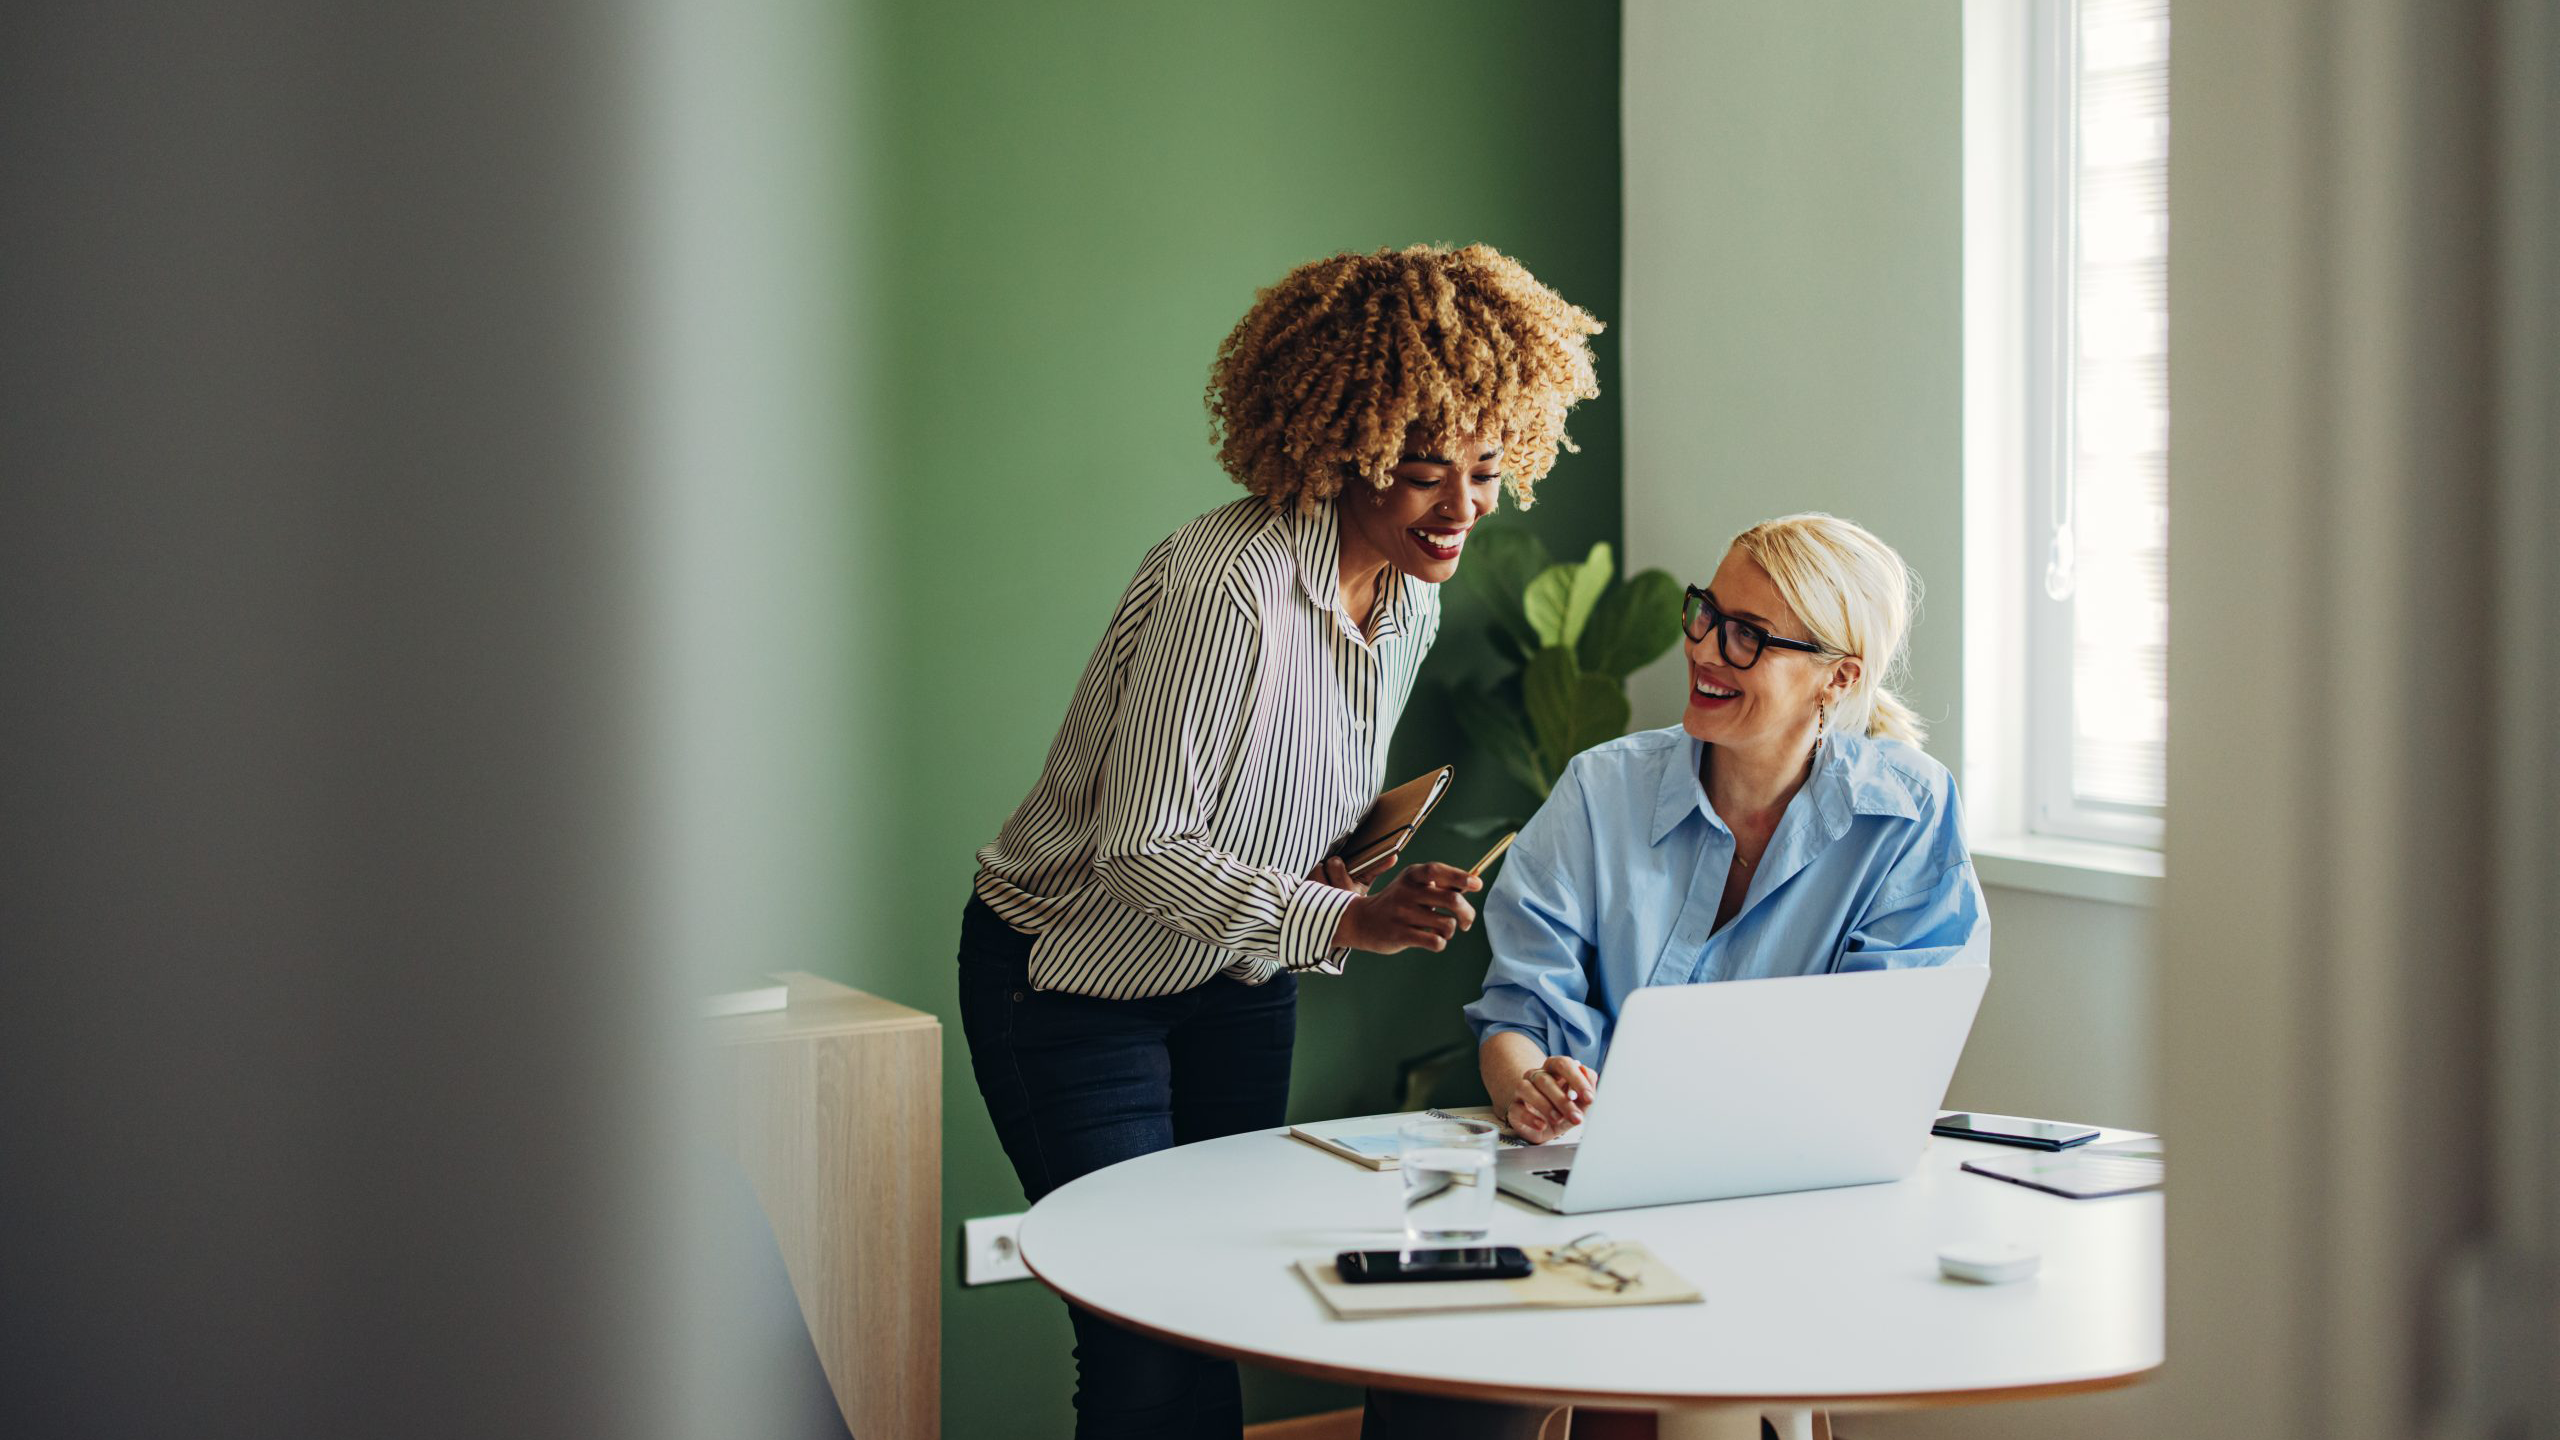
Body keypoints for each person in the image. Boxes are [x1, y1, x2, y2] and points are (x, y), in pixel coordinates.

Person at [961, 244, 1603, 1440]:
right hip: (1070, 984)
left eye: (1482, 469)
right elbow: (1139, 849)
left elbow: (1279, 804)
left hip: (1236, 981)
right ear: (1336, 450)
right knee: (1141, 1332)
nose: (1460, 508)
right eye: (1421, 474)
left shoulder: (1411, 592)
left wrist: (1360, 877)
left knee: (1221, 1298)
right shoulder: (1228, 585)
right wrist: (1345, 921)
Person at [1466, 512, 1987, 1144]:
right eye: (1706, 613)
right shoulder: (1600, 789)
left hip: (1800, 1169)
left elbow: (1885, 1051)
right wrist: (1527, 1087)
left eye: (1748, 636)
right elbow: (1520, 1011)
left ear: (1839, 676)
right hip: (1594, 1160)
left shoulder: (1908, 812)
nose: (1704, 649)